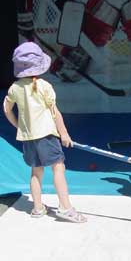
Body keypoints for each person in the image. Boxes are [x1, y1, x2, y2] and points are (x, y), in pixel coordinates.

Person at [3, 42, 87, 223]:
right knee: (58, 168)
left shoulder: (15, 88)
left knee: (36, 171)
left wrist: (18, 126)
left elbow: (7, 110)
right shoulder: (44, 86)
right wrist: (64, 134)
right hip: (47, 136)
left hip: (28, 138)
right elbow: (55, 112)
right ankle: (65, 208)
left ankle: (37, 208)